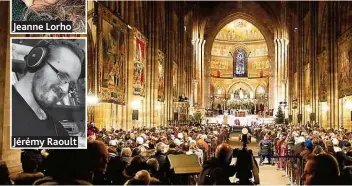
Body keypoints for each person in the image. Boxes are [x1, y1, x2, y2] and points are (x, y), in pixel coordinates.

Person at [12, 39, 85, 137]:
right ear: (36, 60)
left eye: (71, 85)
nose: (65, 90)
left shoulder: (57, 129)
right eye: (63, 76)